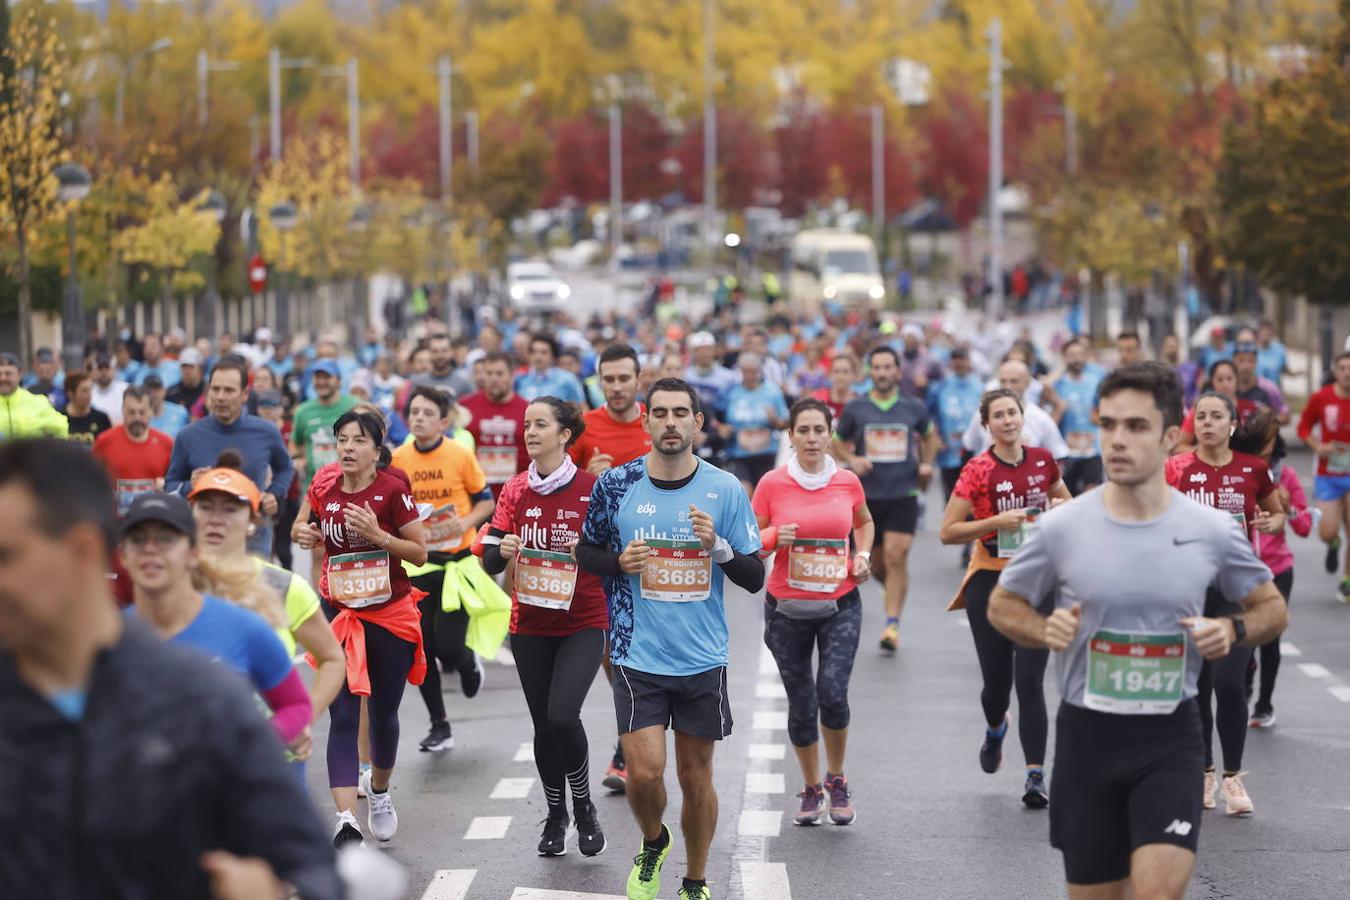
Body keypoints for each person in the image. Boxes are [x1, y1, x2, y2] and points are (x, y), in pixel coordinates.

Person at [987, 362, 1285, 900]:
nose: (1117, 440)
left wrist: (1233, 627)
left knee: (1156, 893)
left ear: (1172, 436)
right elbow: (1004, 604)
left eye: (1136, 426)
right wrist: (1040, 628)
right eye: (1108, 425)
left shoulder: (1210, 529)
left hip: (1169, 738)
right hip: (1087, 736)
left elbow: (1271, 608)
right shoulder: (1062, 526)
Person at [0, 439, 340, 899]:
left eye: (7, 556)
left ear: (82, 552)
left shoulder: (204, 695)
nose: (151, 551)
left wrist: (271, 890)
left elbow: (315, 871)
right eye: (138, 539)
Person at [576, 378, 764, 900]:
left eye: (681, 413)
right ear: (646, 422)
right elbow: (585, 553)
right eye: (660, 413)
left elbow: (755, 576)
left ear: (699, 423)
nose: (671, 423)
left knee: (694, 774)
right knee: (643, 773)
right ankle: (654, 840)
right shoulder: (616, 485)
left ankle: (695, 880)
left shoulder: (724, 489)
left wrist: (719, 547)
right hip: (637, 652)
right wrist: (618, 562)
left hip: (703, 656)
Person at [478, 397, 610, 857]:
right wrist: (505, 550)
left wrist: (586, 553)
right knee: (543, 727)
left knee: (562, 716)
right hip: (530, 624)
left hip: (584, 621)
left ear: (565, 434)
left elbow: (616, 557)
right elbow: (488, 554)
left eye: (541, 424)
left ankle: (585, 806)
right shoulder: (514, 490)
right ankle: (556, 815)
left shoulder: (596, 489)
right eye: (526, 425)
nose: (530, 432)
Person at [292, 409, 428, 849]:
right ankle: (346, 819)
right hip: (342, 614)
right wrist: (306, 535)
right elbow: (303, 524)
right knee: (344, 716)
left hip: (389, 615)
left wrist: (380, 535)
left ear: (376, 449)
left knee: (384, 716)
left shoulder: (392, 490)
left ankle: (381, 792)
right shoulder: (325, 487)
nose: (347, 448)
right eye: (342, 440)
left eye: (358, 441)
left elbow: (420, 553)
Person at [941, 389, 1070, 808]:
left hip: (1036, 582)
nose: (1008, 421)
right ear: (987, 425)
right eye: (998, 416)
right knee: (997, 685)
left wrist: (1055, 513)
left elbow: (1064, 501)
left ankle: (1036, 776)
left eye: (1012, 413)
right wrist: (996, 521)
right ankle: (996, 727)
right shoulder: (977, 469)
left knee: (1031, 681)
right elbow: (948, 531)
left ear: (1022, 416)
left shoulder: (1042, 461)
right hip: (991, 581)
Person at [752, 397, 873, 827]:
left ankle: (836, 778)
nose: (811, 438)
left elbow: (863, 522)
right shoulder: (771, 483)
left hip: (839, 604)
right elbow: (752, 542)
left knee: (833, 693)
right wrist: (772, 536)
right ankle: (810, 788)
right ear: (791, 436)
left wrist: (863, 555)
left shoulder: (847, 482)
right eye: (802, 431)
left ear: (830, 434)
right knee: (802, 704)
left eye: (818, 430)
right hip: (786, 608)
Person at [121, 492, 314, 759]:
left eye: (165, 539)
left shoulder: (242, 626)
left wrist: (262, 743)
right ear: (123, 554)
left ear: (193, 553)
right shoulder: (107, 641)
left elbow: (295, 703)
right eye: (138, 539)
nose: (150, 549)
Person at [1163, 391, 1284, 816]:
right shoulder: (1175, 468)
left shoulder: (1254, 469)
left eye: (1217, 416)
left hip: (1237, 591)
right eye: (1201, 416)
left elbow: (1275, 510)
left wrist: (1273, 520)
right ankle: (1205, 771)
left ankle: (1233, 777)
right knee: (1196, 685)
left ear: (1232, 424)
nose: (1208, 423)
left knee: (1230, 682)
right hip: (1191, 590)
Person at [188, 454, 347, 760]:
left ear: (252, 521)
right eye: (205, 507)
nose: (216, 518)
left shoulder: (283, 587)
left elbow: (332, 659)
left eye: (231, 509)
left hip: (271, 761)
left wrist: (302, 720)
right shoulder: (170, 586)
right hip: (191, 763)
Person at [390, 387, 495, 753]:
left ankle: (467, 663)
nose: (418, 418)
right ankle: (440, 725)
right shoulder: (398, 459)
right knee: (421, 649)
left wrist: (462, 521)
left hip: (456, 563)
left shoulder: (460, 454)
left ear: (443, 421)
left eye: (426, 412)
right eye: (413, 412)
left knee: (448, 650)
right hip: (418, 565)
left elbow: (486, 502)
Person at [833, 346, 938, 652]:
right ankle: (892, 587)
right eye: (876, 367)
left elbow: (930, 436)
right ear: (869, 372)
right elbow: (837, 442)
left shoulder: (913, 407)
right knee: (874, 564)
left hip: (903, 491)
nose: (881, 373)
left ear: (897, 371)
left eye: (887, 367)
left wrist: (927, 462)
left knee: (896, 556)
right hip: (867, 496)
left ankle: (892, 624)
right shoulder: (857, 408)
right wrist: (853, 459)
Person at [165, 356, 294, 557]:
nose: (220, 397)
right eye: (215, 389)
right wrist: (190, 485)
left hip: (253, 537)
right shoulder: (188, 435)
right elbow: (170, 484)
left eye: (229, 390)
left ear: (244, 394)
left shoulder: (266, 431)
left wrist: (274, 493)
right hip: (206, 537)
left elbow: (286, 467)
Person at [1230, 411, 1310, 729]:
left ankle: (1264, 703)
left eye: (1272, 440)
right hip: (1242, 568)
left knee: (1271, 637)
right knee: (1245, 637)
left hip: (1278, 568)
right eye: (1262, 438)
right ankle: (1244, 681)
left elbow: (1304, 527)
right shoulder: (1236, 474)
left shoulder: (1286, 476)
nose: (1267, 445)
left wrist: (1287, 509)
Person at [1296, 351, 1350, 599]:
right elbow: (1303, 427)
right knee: (1327, 530)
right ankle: (1333, 544)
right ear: (1335, 371)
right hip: (1328, 473)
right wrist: (1318, 446)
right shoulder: (1322, 398)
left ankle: (1347, 579)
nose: (1348, 373)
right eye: (1343, 368)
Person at [570, 344, 653, 475]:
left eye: (624, 379)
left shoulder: (656, 421)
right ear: (600, 382)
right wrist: (587, 479)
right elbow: (563, 485)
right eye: (609, 380)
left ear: (639, 380)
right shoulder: (582, 426)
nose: (616, 388)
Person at [962, 360, 1070, 459]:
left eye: (1014, 381)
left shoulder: (1041, 418)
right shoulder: (983, 414)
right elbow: (969, 445)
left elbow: (1058, 454)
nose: (1008, 386)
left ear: (1027, 383)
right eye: (1003, 381)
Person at [92, 386, 174, 515]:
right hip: (116, 525)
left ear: (151, 411)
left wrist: (165, 486)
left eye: (142, 412)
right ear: (123, 411)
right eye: (131, 412)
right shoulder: (104, 441)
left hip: (153, 520)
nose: (137, 418)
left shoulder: (167, 444)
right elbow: (91, 480)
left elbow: (175, 485)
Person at [460, 350, 531, 495]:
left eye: (499, 374)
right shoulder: (465, 407)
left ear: (512, 375)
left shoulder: (528, 410)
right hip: (476, 494)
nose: (493, 378)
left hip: (518, 494)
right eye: (489, 373)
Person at [720, 351, 789, 495]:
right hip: (739, 453)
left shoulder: (772, 392)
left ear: (760, 371)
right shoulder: (732, 393)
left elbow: (785, 423)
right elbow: (720, 420)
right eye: (746, 371)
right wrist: (724, 429)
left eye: (753, 371)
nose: (750, 376)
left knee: (764, 494)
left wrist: (774, 420)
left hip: (766, 453)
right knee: (744, 493)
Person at [928, 347, 984, 500]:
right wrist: (936, 437)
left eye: (962, 359)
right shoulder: (940, 387)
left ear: (969, 362)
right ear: (950, 363)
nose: (959, 363)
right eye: (955, 359)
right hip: (949, 454)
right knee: (953, 498)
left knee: (975, 501)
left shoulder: (980, 387)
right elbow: (928, 415)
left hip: (975, 454)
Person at [1054, 339, 1107, 495]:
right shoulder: (1059, 384)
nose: (1077, 359)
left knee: (1092, 493)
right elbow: (1044, 387)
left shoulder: (1097, 380)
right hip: (1067, 451)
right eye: (1072, 355)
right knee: (1068, 496)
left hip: (1093, 449)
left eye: (1080, 355)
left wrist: (1099, 417)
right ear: (1064, 358)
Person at [0, 352, 67, 439]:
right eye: (0, 374)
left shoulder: (36, 402)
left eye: (8, 373)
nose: (3, 378)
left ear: (19, 374)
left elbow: (61, 429)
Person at [517, 333, 587, 405]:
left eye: (544, 352)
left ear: (553, 356)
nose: (538, 357)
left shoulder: (567, 379)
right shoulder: (520, 379)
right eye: (534, 352)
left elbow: (581, 407)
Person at [412, 332, 474, 398]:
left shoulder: (464, 383)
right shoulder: (416, 383)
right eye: (435, 351)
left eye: (444, 351)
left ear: (451, 352)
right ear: (429, 353)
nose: (440, 355)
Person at [61, 370, 111, 446]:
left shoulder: (101, 419)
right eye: (84, 391)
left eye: (90, 390)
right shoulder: (59, 417)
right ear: (70, 393)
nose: (89, 395)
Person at [811, 351, 859, 423]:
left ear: (854, 375)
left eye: (845, 372)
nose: (840, 376)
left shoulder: (859, 402)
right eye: (836, 371)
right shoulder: (818, 398)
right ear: (830, 374)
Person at [143, 372, 190, 437]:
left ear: (164, 391)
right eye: (149, 390)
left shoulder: (180, 412)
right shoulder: (139, 417)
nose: (153, 394)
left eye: (156, 389)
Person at [89, 353, 129, 426]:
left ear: (115, 370)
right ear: (94, 370)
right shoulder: (88, 391)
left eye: (107, 368)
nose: (104, 372)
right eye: (100, 368)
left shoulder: (126, 389)